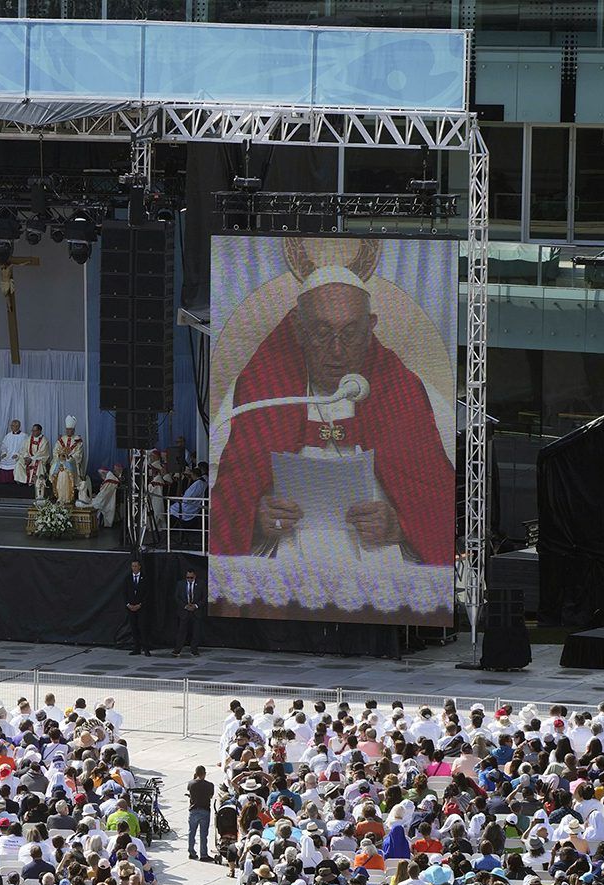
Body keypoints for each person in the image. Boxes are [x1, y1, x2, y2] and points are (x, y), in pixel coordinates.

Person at [210, 259, 453, 568]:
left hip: (380, 564)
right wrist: (255, 518)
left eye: (350, 334)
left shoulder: (411, 394)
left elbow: (442, 499)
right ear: (298, 329)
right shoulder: (255, 396)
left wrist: (399, 526)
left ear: (371, 327)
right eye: (322, 334)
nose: (337, 351)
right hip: (285, 561)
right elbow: (222, 488)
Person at [187, 765, 214, 862]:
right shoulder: (210, 785)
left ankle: (191, 852)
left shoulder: (191, 783)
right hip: (205, 810)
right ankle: (203, 854)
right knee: (203, 834)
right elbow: (210, 796)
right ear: (205, 774)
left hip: (193, 810)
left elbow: (189, 790)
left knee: (191, 832)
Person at [173, 567, 202, 657]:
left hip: (196, 611)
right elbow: (177, 597)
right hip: (184, 611)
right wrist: (185, 606)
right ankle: (177, 649)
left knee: (196, 631)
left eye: (191, 578)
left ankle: (194, 650)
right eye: (187, 577)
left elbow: (204, 597)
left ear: (194, 576)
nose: (189, 579)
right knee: (182, 631)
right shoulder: (180, 584)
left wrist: (196, 606)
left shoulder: (201, 584)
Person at [124, 558, 149, 655]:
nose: (134, 568)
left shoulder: (145, 578)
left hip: (141, 608)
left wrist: (140, 604)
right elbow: (125, 593)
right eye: (132, 566)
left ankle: (146, 648)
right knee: (134, 628)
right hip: (131, 608)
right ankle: (136, 648)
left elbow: (147, 593)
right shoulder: (127, 578)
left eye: (135, 566)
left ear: (139, 567)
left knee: (142, 628)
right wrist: (128, 604)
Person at [0, 419, 27, 485]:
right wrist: (4, 453)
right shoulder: (8, 435)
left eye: (15, 426)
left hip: (18, 455)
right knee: (4, 460)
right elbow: (3, 446)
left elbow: (25, 448)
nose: (13, 427)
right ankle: (4, 480)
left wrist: (17, 454)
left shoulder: (24, 436)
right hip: (8, 454)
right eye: (12, 426)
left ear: (19, 426)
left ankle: (14, 480)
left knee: (14, 461)